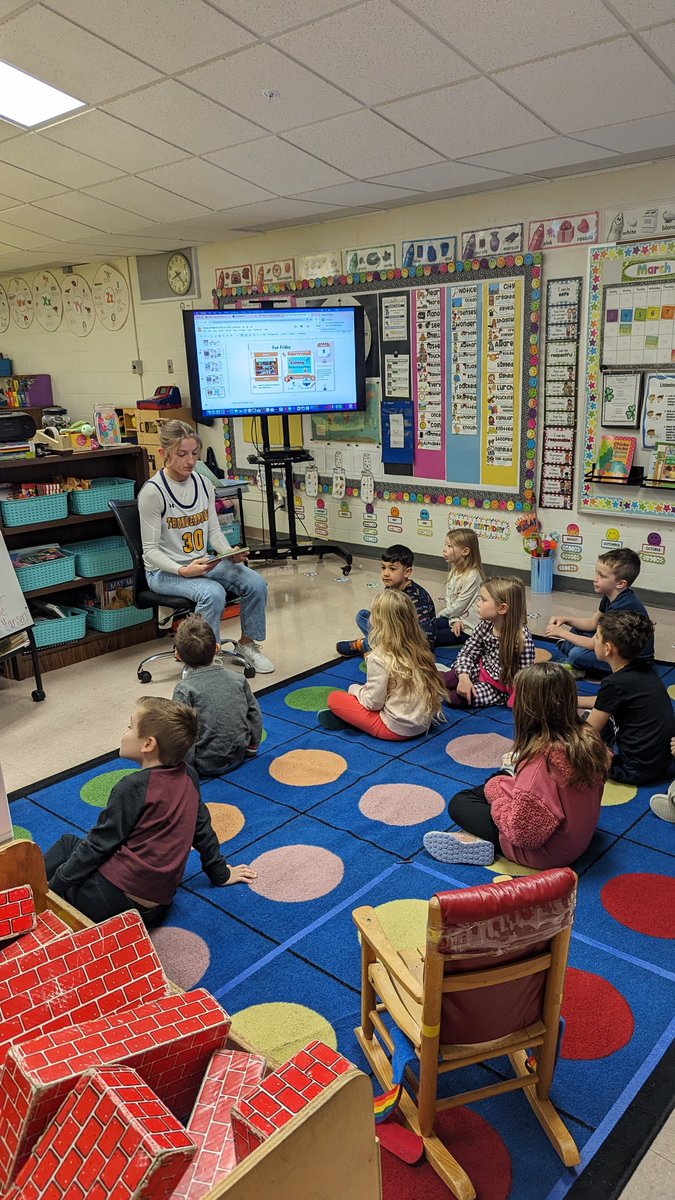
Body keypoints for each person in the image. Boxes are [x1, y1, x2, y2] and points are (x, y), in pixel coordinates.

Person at [44, 697, 257, 926]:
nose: (125, 731)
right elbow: (201, 828)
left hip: (109, 902)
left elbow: (98, 845)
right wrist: (220, 873)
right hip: (155, 910)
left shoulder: (132, 787)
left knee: (68, 844)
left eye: (130, 726)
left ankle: (32, 897)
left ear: (148, 744)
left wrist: (53, 889)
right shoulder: (188, 775)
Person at [423, 662, 609, 868]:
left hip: (547, 853)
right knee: (496, 783)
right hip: (579, 837)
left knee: (461, 802)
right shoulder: (588, 739)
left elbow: (524, 834)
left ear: (527, 709)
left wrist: (500, 801)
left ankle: (482, 843)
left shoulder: (541, 763)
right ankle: (499, 786)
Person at [138, 419, 273, 674]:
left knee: (255, 582)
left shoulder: (203, 484)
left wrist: (228, 553)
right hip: (165, 572)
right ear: (163, 454)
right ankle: (199, 661)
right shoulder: (152, 492)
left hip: (204, 561)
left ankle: (248, 644)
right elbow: (150, 551)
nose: (190, 461)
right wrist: (182, 571)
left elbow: (214, 531)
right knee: (212, 594)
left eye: (194, 453)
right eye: (181, 454)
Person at [325, 589, 446, 740]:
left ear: (378, 622)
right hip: (424, 722)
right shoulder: (419, 647)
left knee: (335, 698)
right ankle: (354, 719)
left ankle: (351, 720)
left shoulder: (378, 656)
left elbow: (373, 703)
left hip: (396, 729)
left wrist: (355, 689)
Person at [577, 612, 675, 785]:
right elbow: (607, 702)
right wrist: (575, 700)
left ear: (607, 648)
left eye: (597, 637)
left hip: (633, 770)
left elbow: (588, 731)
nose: (593, 640)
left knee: (573, 735)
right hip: (665, 763)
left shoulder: (614, 684)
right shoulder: (643, 670)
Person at [173, 614, 263, 776]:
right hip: (239, 754)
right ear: (217, 648)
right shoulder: (238, 679)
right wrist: (253, 746)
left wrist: (186, 767)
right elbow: (254, 714)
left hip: (204, 762)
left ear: (178, 655)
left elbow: (180, 732)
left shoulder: (184, 689)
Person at [545, 548, 653, 676]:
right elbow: (592, 623)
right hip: (614, 646)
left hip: (633, 662)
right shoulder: (610, 595)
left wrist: (561, 633)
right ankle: (574, 659)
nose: (595, 579)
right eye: (596, 573)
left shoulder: (623, 606)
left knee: (576, 654)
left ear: (621, 583)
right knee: (575, 631)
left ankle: (576, 665)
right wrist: (566, 620)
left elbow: (593, 644)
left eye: (602, 575)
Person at [442, 577, 534, 707]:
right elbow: (467, 653)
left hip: (496, 688)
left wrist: (516, 701)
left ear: (502, 608)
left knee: (454, 698)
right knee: (441, 680)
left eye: (483, 600)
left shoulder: (522, 640)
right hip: (479, 669)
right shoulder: (485, 625)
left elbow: (525, 678)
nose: (478, 603)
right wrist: (464, 677)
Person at [336, 544, 435, 656]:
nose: (386, 573)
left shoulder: (416, 597)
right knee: (362, 615)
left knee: (381, 633)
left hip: (409, 644)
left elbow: (427, 636)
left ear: (407, 572)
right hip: (393, 633)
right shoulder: (390, 588)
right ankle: (374, 644)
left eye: (392, 569)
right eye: (383, 567)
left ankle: (366, 645)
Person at [433, 528, 483, 647]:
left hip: (469, 628)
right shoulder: (453, 573)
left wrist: (440, 614)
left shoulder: (473, 575)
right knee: (425, 627)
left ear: (465, 551)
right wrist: (454, 620)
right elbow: (451, 601)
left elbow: (461, 605)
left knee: (428, 636)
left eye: (450, 546)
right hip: (455, 619)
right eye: (445, 545)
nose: (445, 549)